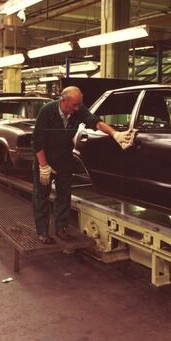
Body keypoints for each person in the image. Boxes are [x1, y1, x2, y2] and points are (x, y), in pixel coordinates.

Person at [32, 86, 135, 244]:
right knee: (41, 196)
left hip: (64, 159)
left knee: (64, 195)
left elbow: (95, 122)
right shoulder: (47, 111)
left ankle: (61, 229)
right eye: (74, 105)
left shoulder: (78, 108)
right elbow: (37, 140)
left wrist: (115, 134)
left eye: (79, 104)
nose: (78, 108)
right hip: (45, 159)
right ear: (63, 101)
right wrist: (43, 166)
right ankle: (42, 232)